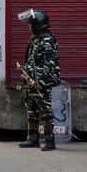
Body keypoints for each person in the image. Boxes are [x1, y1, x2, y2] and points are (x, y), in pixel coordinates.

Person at [17, 9, 61, 151]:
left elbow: (49, 65)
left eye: (31, 24)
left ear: (37, 24)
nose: (29, 26)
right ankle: (32, 140)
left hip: (40, 83)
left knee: (45, 112)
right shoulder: (36, 38)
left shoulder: (48, 40)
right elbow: (32, 59)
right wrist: (25, 72)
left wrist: (41, 82)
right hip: (30, 82)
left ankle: (49, 142)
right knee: (32, 111)